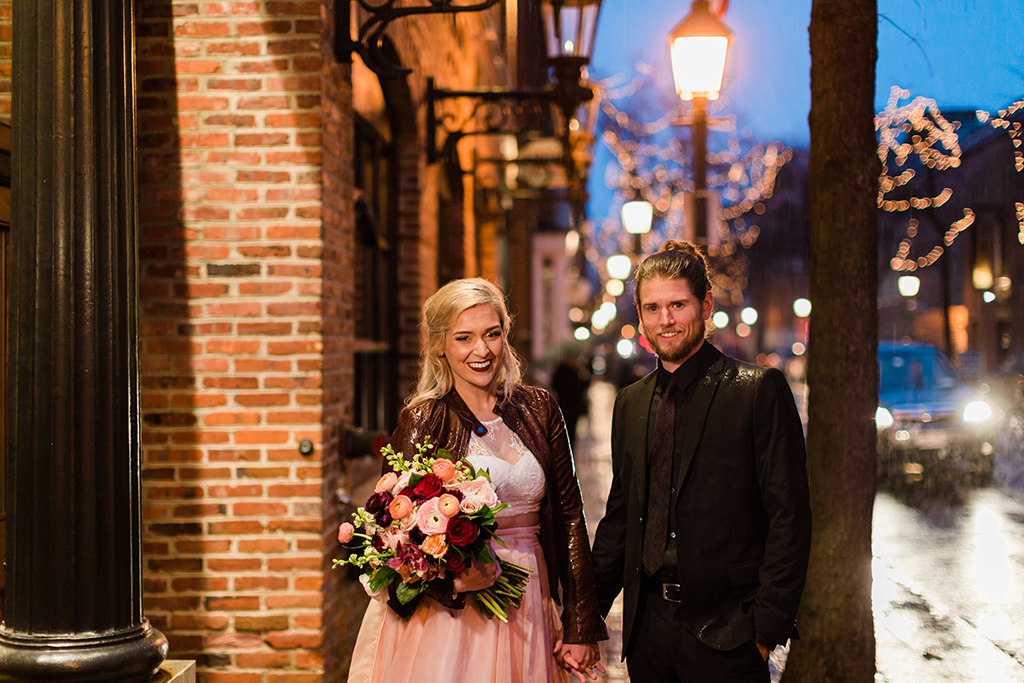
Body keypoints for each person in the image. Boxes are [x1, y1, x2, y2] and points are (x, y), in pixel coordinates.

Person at [348, 278, 608, 683]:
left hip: (530, 598)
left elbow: (571, 517)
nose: (481, 351)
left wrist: (580, 624)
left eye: (492, 334)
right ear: (440, 345)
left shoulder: (541, 408)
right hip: (451, 616)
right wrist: (450, 581)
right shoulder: (423, 419)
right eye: (464, 338)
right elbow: (391, 536)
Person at [591, 241, 812, 682]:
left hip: (729, 634)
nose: (665, 320)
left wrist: (765, 628)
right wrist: (585, 613)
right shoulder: (629, 404)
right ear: (639, 314)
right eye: (652, 308)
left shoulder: (756, 391)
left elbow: (789, 516)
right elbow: (620, 519)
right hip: (646, 632)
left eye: (678, 304)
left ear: (705, 304)